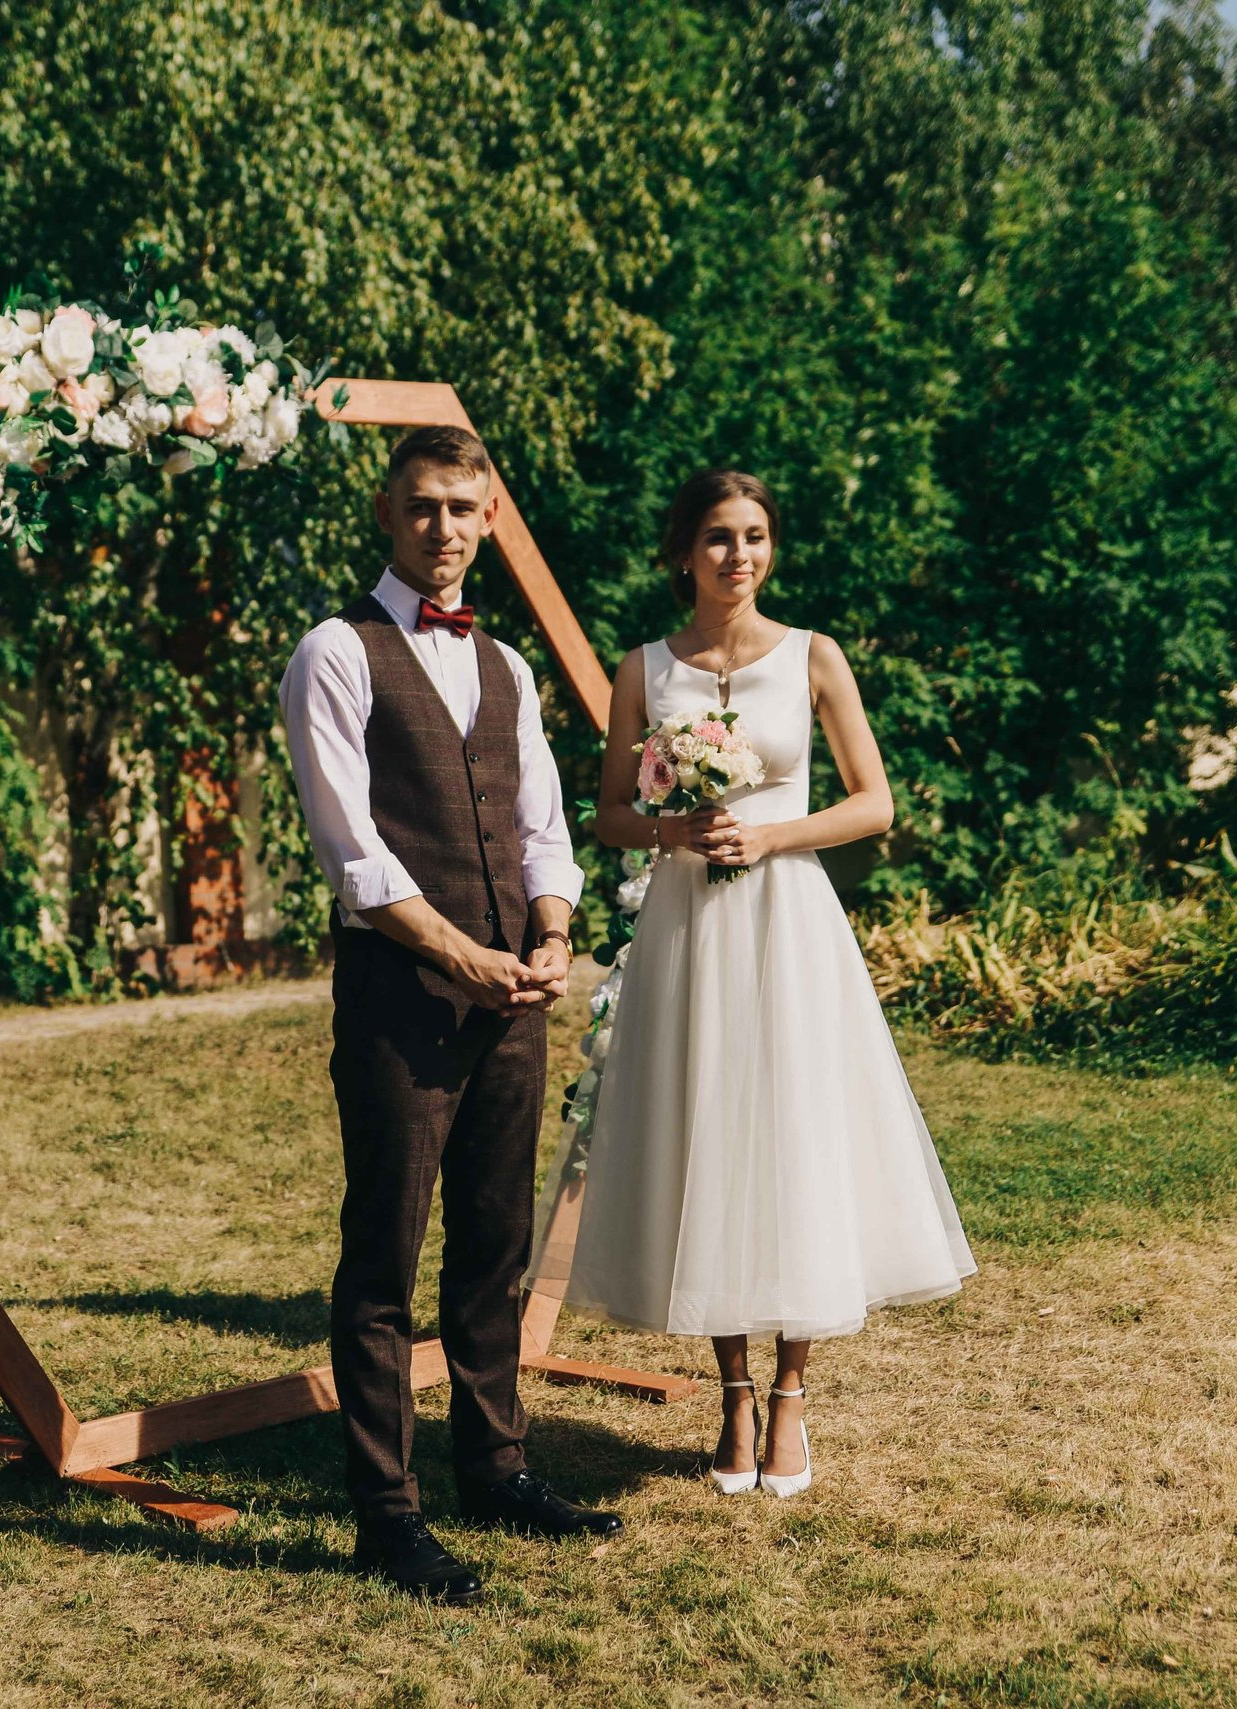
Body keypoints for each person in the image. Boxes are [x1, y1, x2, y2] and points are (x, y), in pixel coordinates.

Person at [567, 468, 975, 1497]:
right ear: (683, 552)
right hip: (689, 929)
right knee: (704, 1138)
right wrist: (675, 829)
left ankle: (791, 1393)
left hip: (787, 924)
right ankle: (733, 1391)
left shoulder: (813, 656)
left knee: (792, 1140)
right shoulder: (642, 668)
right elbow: (611, 814)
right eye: (716, 536)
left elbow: (873, 801)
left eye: (753, 536)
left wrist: (774, 831)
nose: (737, 555)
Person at [279, 425, 622, 1605]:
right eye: (423, 506)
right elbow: (352, 852)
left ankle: (496, 1466)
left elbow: (542, 826)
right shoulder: (335, 649)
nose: (444, 529)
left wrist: (553, 934)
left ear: (488, 521)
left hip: (509, 993)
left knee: (494, 1239)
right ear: (388, 509)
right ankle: (385, 1515)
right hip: (399, 992)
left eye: (464, 510)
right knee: (383, 1251)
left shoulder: (510, 667)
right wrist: (461, 954)